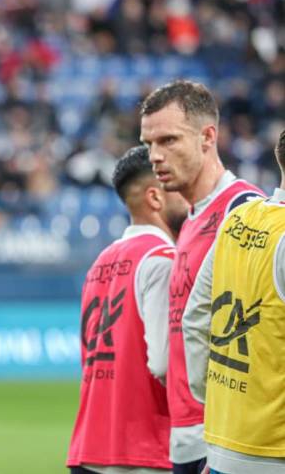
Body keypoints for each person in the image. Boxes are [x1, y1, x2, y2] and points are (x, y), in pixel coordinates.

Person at [139, 80, 263, 474]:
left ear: (208, 137)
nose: (155, 156)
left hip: (220, 439)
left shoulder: (243, 213)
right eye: (148, 144)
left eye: (169, 140)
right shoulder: (190, 220)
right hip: (187, 437)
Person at [67, 146, 189, 474]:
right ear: (155, 197)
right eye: (178, 189)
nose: (188, 199)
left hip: (89, 447)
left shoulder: (100, 262)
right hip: (143, 450)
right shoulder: (163, 259)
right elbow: (163, 363)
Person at [183, 129, 285, 474]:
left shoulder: (236, 218)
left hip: (223, 441)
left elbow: (195, 317)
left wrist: (212, 401)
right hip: (274, 449)